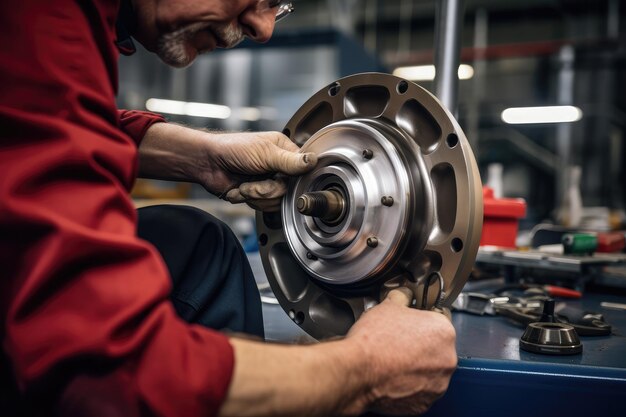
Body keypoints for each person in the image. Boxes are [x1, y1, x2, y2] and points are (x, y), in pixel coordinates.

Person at [0, 1, 457, 416]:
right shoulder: (42, 17)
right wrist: (364, 371)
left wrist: (201, 155)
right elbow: (106, 371)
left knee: (200, 245)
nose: (262, 28)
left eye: (278, 7)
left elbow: (49, 123)